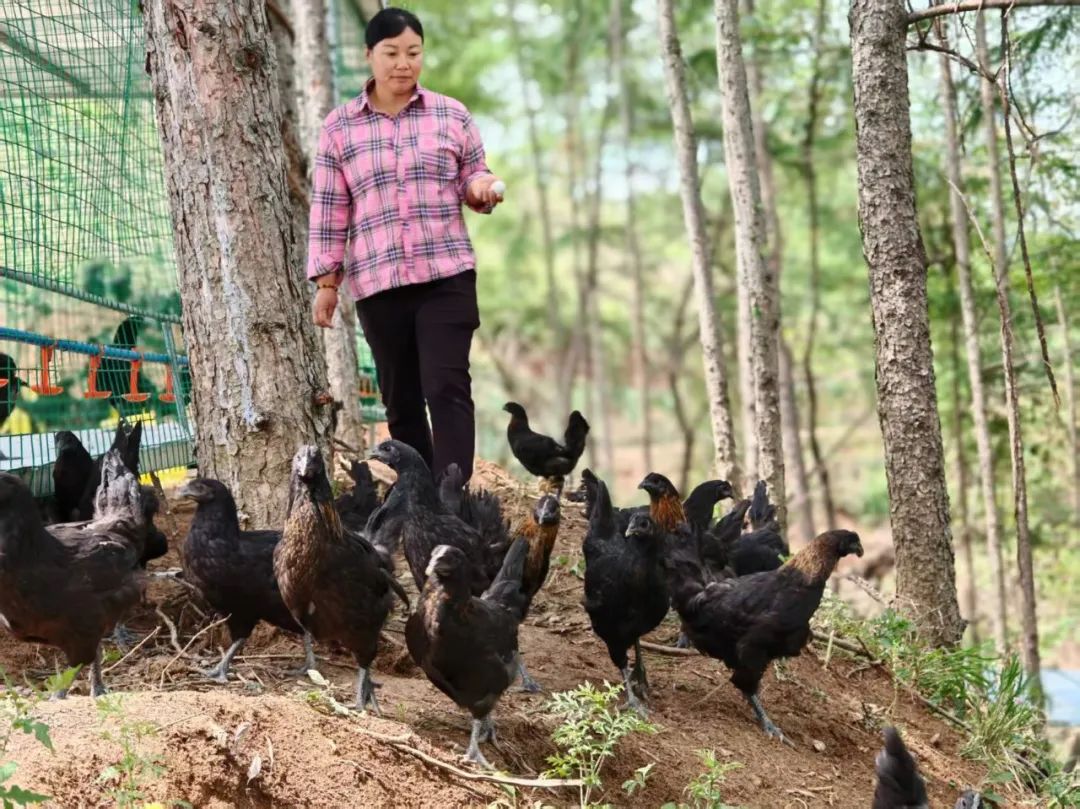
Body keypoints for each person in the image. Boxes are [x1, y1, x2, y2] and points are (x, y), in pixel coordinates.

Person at [307, 7, 503, 484]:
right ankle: (422, 500)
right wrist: (328, 282)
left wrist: (483, 187)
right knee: (402, 400)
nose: (403, 63)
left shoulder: (451, 114)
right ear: (369, 56)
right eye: (391, 53)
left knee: (447, 385)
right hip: (379, 284)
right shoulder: (340, 128)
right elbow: (331, 207)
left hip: (446, 276)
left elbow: (473, 173)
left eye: (413, 53)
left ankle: (454, 497)